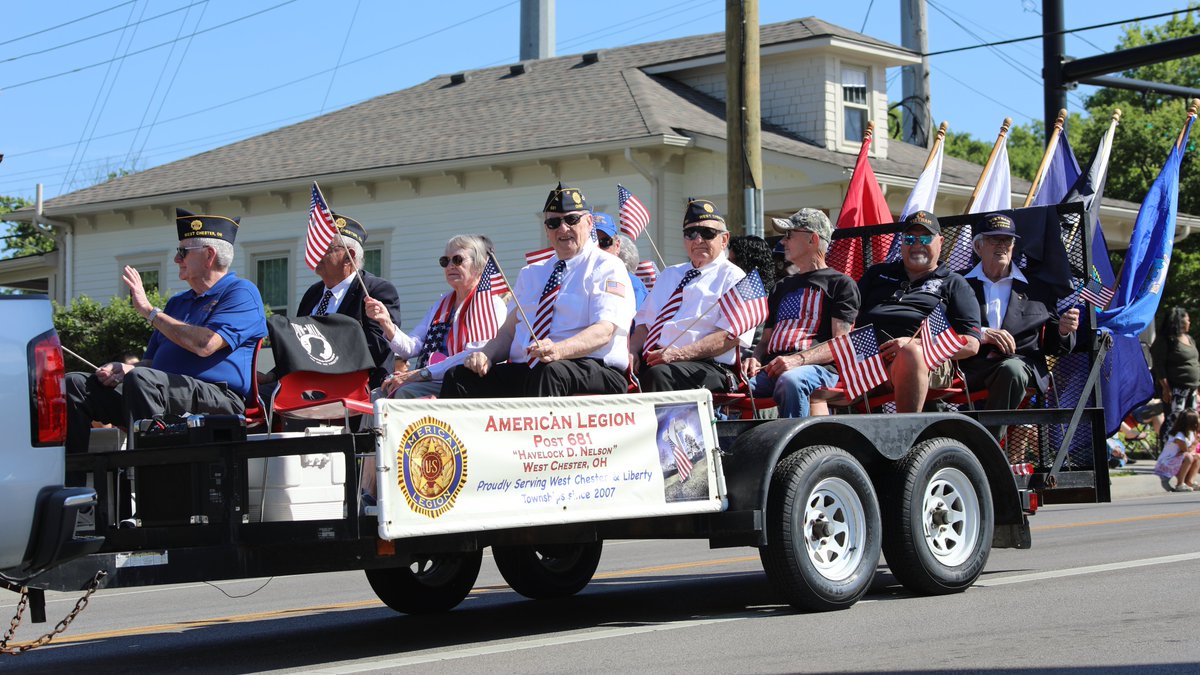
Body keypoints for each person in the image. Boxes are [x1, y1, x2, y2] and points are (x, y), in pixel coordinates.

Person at [64, 209, 268, 454]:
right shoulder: (177, 303)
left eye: (182, 252)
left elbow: (206, 345)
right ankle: (74, 485)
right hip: (157, 391)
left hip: (220, 398)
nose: (176, 260)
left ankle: (157, 480)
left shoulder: (241, 292)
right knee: (76, 384)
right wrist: (126, 368)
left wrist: (150, 311)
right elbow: (151, 363)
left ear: (209, 255)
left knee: (143, 381)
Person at [440, 183, 635, 398]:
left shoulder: (607, 266)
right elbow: (507, 332)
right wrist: (485, 354)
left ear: (588, 222)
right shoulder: (531, 273)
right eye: (553, 222)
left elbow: (604, 331)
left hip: (594, 366)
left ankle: (538, 433)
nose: (562, 229)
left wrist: (559, 350)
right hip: (533, 368)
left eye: (571, 219)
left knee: (549, 372)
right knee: (459, 377)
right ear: (546, 230)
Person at [857, 210, 981, 412]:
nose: (916, 244)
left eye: (925, 237)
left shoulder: (954, 283)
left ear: (940, 242)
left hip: (929, 360)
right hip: (868, 358)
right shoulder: (877, 274)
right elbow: (847, 315)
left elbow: (972, 344)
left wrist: (915, 343)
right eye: (909, 238)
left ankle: (907, 433)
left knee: (910, 353)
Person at [958, 213, 1080, 414]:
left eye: (1007, 240)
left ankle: (986, 443)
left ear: (1013, 246)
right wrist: (982, 333)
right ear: (978, 247)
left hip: (1021, 365)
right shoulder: (957, 283)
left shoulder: (1037, 287)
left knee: (1011, 369)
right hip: (969, 368)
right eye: (993, 239)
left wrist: (1063, 330)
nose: (1001, 245)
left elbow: (1053, 345)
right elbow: (944, 327)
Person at [742, 209, 859, 417]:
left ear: (812, 239)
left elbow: (841, 345)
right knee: (732, 387)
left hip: (819, 370)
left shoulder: (840, 284)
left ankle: (796, 448)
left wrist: (796, 360)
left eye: (789, 235)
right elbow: (765, 341)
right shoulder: (781, 286)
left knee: (791, 379)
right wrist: (755, 358)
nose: (783, 242)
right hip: (772, 369)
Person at [630, 199, 753, 394]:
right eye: (690, 233)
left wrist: (677, 355)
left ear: (724, 239)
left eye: (707, 233)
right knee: (615, 369)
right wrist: (631, 352)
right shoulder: (670, 274)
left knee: (658, 375)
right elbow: (644, 324)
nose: (698, 240)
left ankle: (660, 426)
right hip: (659, 361)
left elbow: (730, 337)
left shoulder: (736, 279)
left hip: (709, 366)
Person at [363, 234, 507, 398]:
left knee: (403, 394)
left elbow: (474, 354)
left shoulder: (490, 304)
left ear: (479, 265)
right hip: (431, 379)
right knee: (377, 395)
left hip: (463, 383)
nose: (450, 266)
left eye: (458, 260)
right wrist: (385, 321)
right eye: (445, 261)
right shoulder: (442, 303)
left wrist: (418, 374)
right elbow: (412, 347)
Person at [293, 214, 402, 390]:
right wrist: (272, 375)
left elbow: (377, 345)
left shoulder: (376, 290)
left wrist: (325, 359)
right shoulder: (312, 294)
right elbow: (296, 341)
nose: (317, 251)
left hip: (358, 388)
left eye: (325, 247)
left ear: (348, 257)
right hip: (309, 386)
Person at [1151, 307, 1200, 433]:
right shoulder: (1166, 340)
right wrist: (1166, 389)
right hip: (1176, 389)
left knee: (1191, 420)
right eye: (1187, 320)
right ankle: (1170, 450)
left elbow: (1194, 362)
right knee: (1175, 421)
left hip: (1192, 389)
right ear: (1179, 321)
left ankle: (1187, 449)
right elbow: (1159, 365)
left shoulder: (1189, 339)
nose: (1189, 323)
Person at [594, 212, 648, 309]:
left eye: (605, 242)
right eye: (592, 242)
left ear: (617, 246)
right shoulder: (571, 277)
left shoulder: (632, 284)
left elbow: (639, 322)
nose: (597, 248)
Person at [1154, 409, 1200, 492]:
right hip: (1166, 463)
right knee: (1188, 457)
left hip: (1176, 460)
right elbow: (1186, 450)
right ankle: (1180, 484)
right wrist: (1195, 442)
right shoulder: (1179, 436)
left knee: (1197, 457)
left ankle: (1189, 481)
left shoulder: (1190, 433)